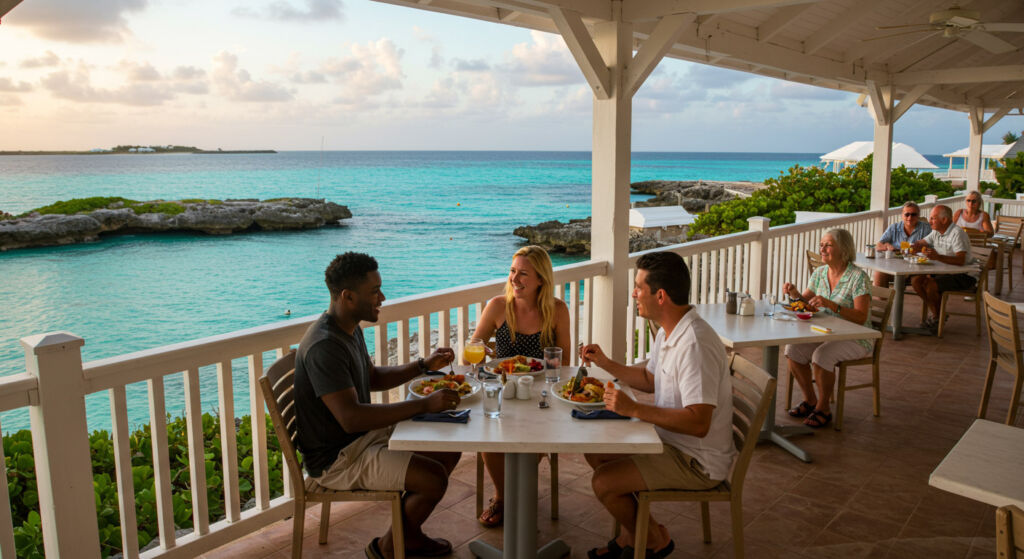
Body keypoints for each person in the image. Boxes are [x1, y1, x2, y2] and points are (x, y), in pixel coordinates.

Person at [293, 252, 461, 559]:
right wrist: (423, 405)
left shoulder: (348, 326)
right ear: (348, 296)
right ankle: (387, 548)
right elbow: (351, 418)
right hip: (339, 459)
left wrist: (423, 365)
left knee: (448, 447)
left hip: (361, 439)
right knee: (433, 478)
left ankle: (406, 537)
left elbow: (372, 378)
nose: (382, 297)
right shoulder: (324, 346)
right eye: (375, 291)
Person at [579, 251, 735, 559]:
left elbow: (699, 423)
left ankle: (651, 539)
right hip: (672, 441)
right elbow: (650, 379)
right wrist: (607, 363)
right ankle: (640, 533)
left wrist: (634, 410)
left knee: (605, 483)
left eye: (638, 287)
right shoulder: (669, 330)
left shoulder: (695, 344)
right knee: (596, 451)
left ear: (660, 295)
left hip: (697, 460)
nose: (634, 293)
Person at [469, 245, 571, 527]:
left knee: (529, 440)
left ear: (541, 279)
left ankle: (514, 493)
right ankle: (503, 496)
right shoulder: (498, 306)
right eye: (513, 271)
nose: (515, 279)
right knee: (490, 437)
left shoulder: (558, 310)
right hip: (504, 394)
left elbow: (564, 363)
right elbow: (473, 349)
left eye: (523, 273)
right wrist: (482, 353)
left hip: (542, 397)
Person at [784, 228, 872, 429]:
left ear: (843, 249)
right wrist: (795, 293)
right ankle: (811, 400)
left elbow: (861, 317)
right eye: (821, 245)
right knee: (792, 350)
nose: (822, 249)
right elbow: (805, 302)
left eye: (828, 245)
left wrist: (832, 305)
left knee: (822, 356)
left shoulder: (858, 278)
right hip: (826, 332)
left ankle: (823, 409)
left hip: (857, 337)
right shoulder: (820, 273)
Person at [911, 205, 979, 331]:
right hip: (944, 272)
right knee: (916, 281)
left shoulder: (957, 234)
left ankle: (937, 317)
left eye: (933, 218)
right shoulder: (936, 231)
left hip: (964, 275)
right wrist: (914, 245)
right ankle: (938, 314)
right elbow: (922, 242)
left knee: (931, 285)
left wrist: (938, 257)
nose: (930, 221)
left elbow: (961, 260)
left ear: (944, 220)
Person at [873, 201, 931, 286]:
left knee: (921, 280)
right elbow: (878, 245)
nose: (910, 217)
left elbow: (934, 248)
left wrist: (921, 250)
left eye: (913, 214)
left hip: (917, 268)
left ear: (918, 215)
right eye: (907, 214)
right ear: (902, 215)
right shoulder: (894, 228)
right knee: (879, 274)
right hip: (894, 266)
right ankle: (883, 298)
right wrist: (888, 246)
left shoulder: (926, 228)